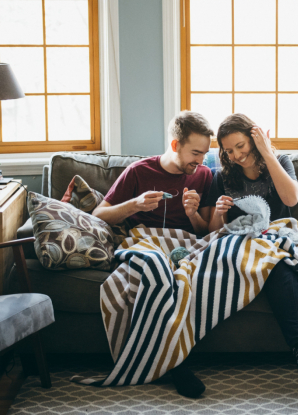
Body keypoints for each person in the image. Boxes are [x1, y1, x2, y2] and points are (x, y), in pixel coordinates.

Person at [93, 110, 213, 398]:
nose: (201, 161)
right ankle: (176, 363)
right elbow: (99, 214)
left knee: (189, 278)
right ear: (175, 145)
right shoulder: (138, 172)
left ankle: (167, 357)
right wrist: (134, 205)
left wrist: (193, 213)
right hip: (144, 242)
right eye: (195, 153)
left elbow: (206, 230)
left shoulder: (205, 175)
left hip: (185, 245)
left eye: (205, 154)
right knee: (155, 268)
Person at [204, 113, 298, 376]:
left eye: (241, 146)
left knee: (279, 267)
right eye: (228, 150)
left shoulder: (280, 162)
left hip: (275, 242)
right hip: (241, 243)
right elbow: (212, 231)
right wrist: (219, 213)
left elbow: (291, 199)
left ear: (254, 139)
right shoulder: (221, 177)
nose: (235, 155)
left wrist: (267, 153)